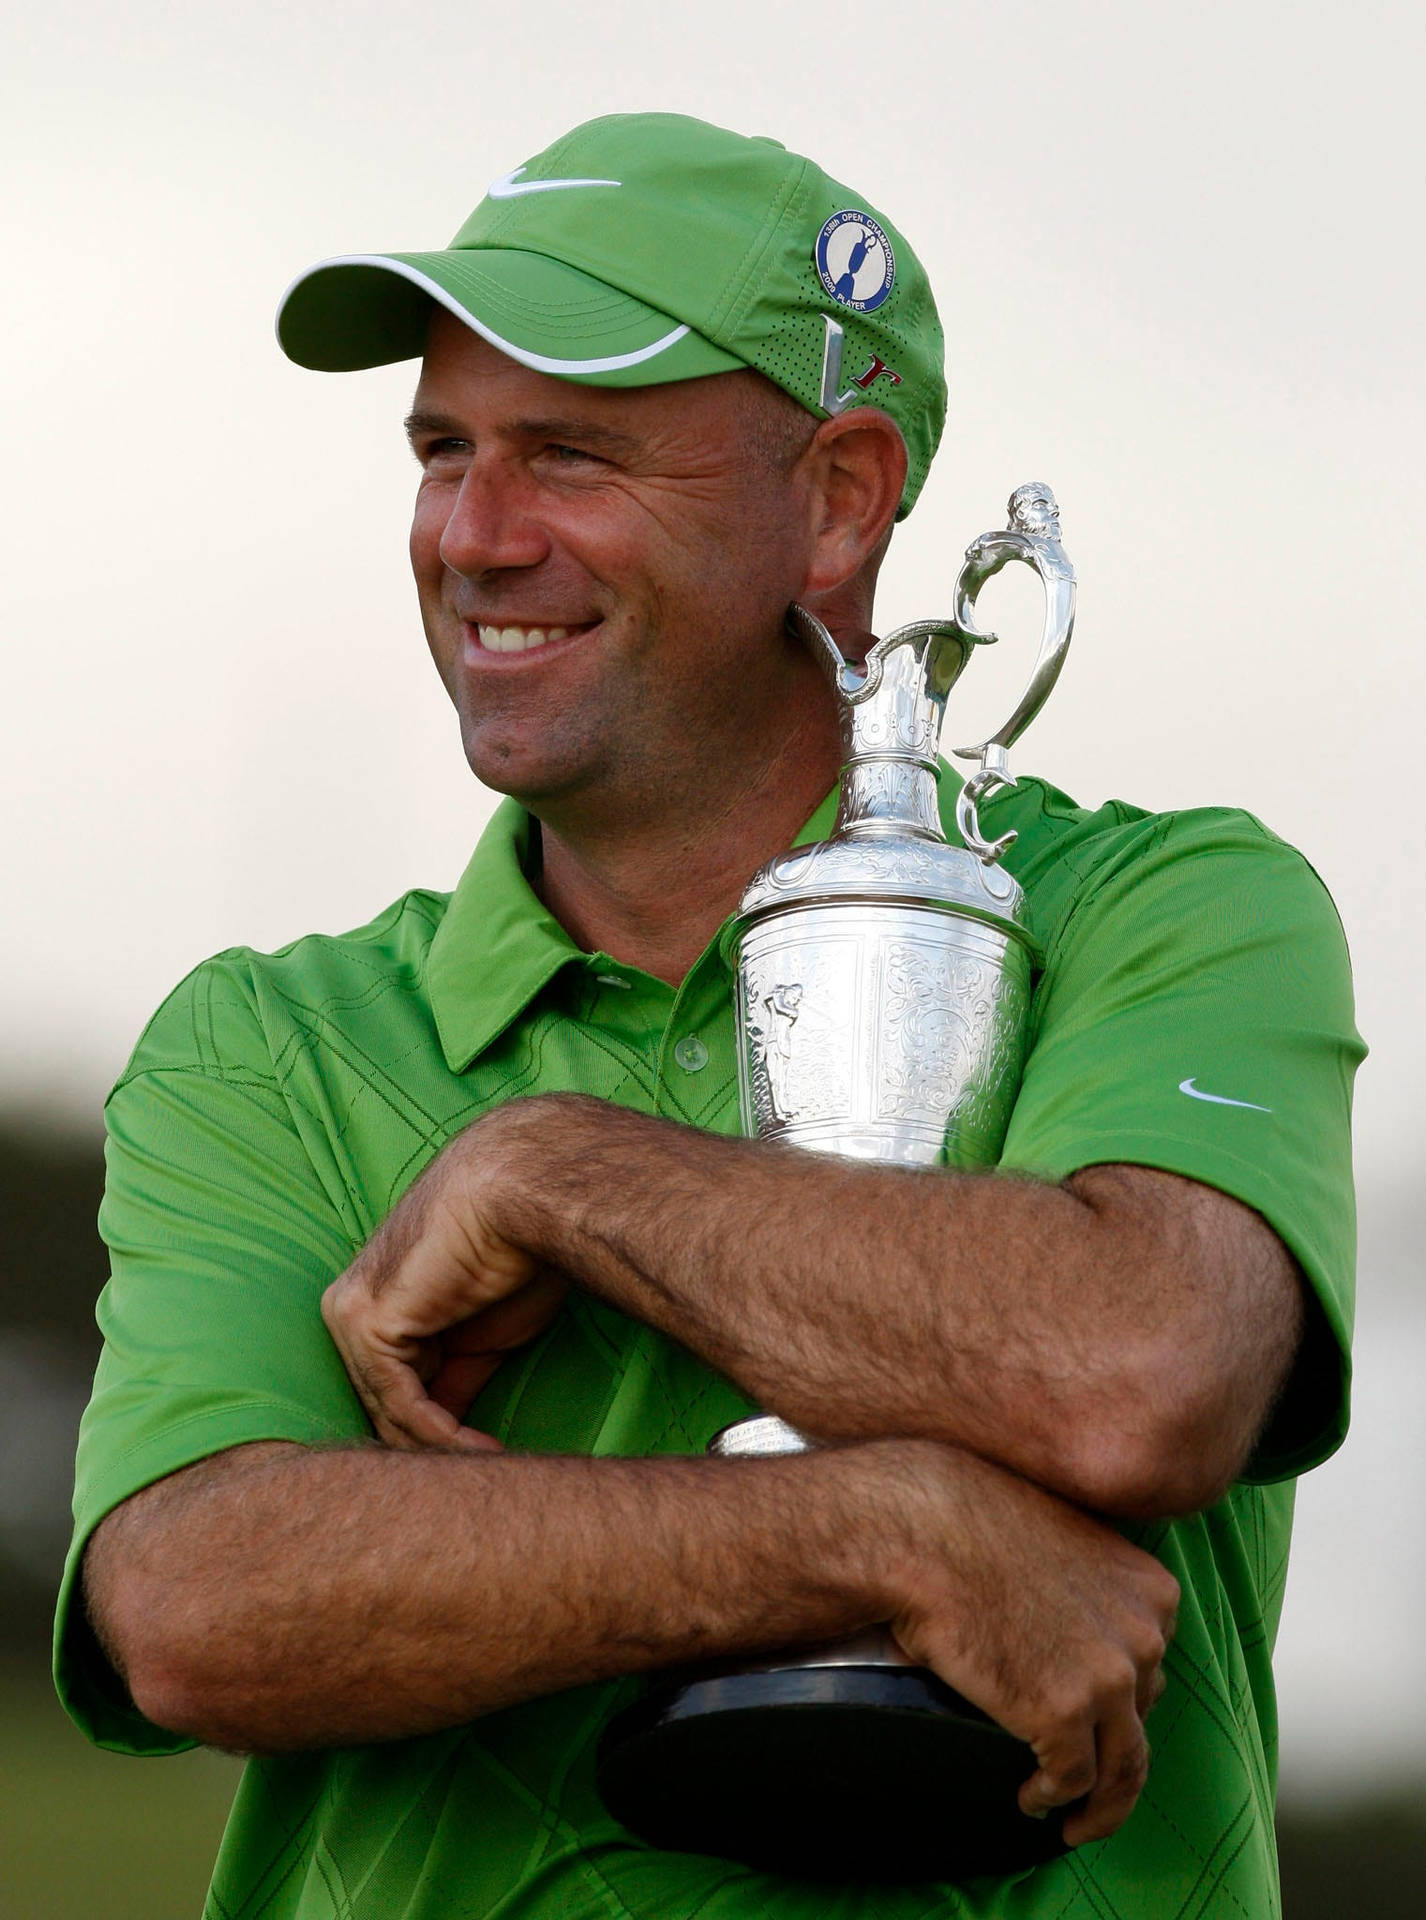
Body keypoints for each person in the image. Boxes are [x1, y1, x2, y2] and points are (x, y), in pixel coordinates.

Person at [56, 112, 1362, 1919]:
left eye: (571, 455)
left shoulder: (1163, 908)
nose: (474, 537)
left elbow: (1136, 1376)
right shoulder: (266, 1039)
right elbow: (199, 1605)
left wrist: (563, 1174)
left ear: (838, 497)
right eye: (442, 449)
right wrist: (868, 1530)